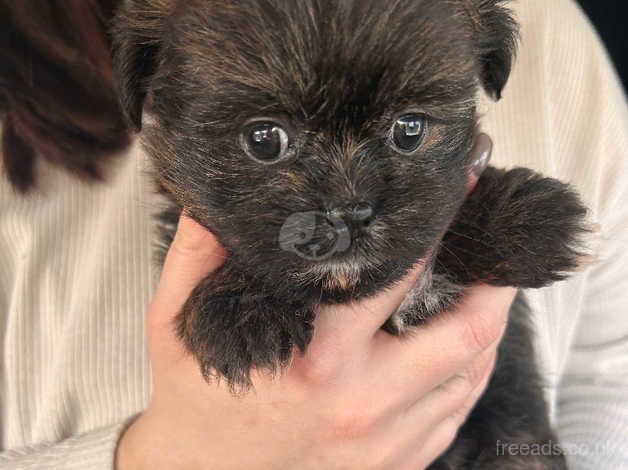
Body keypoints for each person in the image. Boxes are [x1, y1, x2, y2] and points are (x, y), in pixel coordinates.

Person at [0, 0, 626, 469]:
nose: (348, 199)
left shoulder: (551, 30)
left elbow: (610, 384)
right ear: (148, 94)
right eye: (266, 142)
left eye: (409, 131)